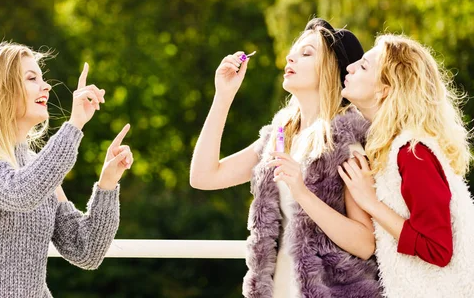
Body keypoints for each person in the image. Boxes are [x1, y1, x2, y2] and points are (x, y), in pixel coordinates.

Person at [190, 19, 381, 297]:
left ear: (330, 69)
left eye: (307, 53)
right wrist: (224, 95)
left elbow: (365, 243)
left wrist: (301, 192)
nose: (291, 57)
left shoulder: (345, 144)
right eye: (294, 51)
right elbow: (204, 177)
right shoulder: (279, 138)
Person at [0, 42, 133, 297]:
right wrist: (74, 125)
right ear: (1, 90)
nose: (46, 86)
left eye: (42, 78)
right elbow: (20, 193)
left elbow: (85, 251)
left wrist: (107, 184)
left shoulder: (37, 165)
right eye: (32, 78)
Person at [340, 34, 474, 298]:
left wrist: (370, 203)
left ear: (385, 89)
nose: (350, 67)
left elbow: (438, 248)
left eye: (364, 66)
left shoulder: (413, 153)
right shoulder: (391, 148)